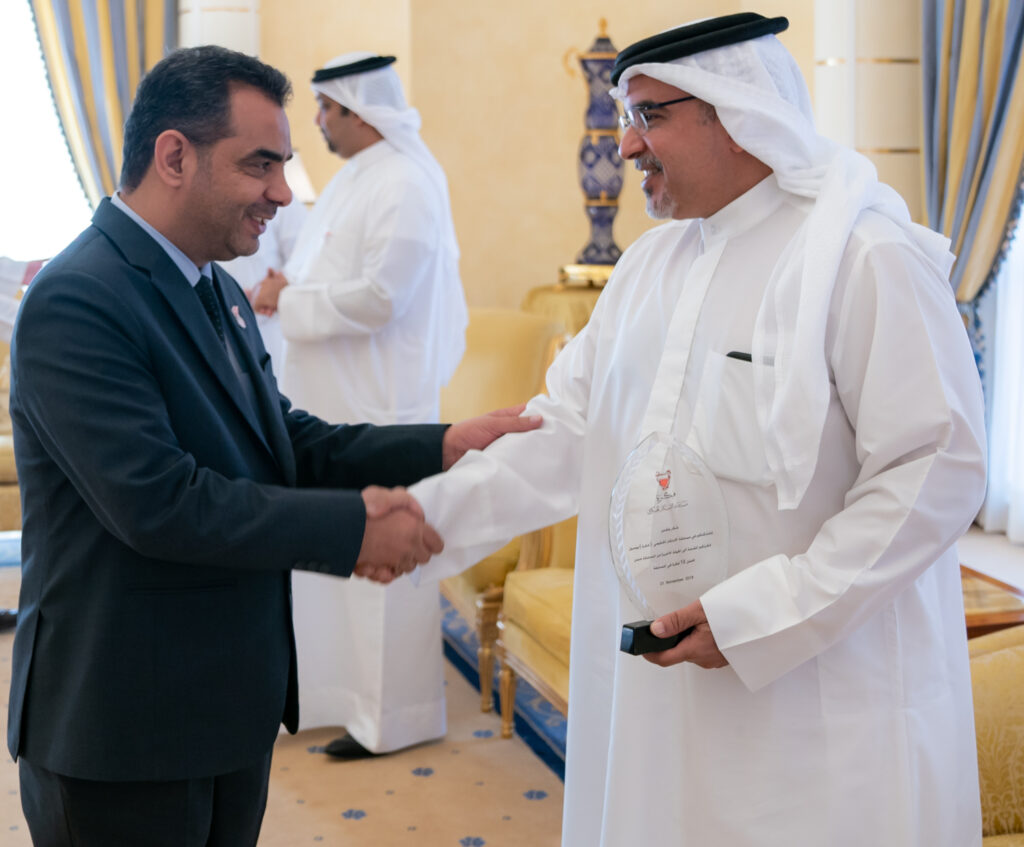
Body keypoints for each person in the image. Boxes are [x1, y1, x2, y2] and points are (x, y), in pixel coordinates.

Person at [402, 13, 987, 847]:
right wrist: (413, 522)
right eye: (625, 117)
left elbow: (937, 467)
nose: (627, 146)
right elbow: (566, 430)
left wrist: (767, 614)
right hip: (662, 691)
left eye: (650, 115)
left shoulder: (863, 257)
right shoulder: (646, 268)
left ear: (736, 115)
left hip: (814, 698)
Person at [6, 45, 536, 846]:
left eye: (283, 165)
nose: (283, 194)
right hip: (124, 722)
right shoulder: (78, 298)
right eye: (260, 165)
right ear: (174, 157)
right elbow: (159, 503)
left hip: (226, 705)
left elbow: (281, 438)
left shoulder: (215, 285)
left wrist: (443, 443)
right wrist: (352, 532)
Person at [251, 52, 468, 759]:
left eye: (325, 108)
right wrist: (287, 287)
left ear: (359, 110)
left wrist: (290, 299)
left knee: (382, 561)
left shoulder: (406, 182)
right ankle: (330, 700)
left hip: (378, 404)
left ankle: (393, 719)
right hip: (331, 401)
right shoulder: (353, 179)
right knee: (333, 554)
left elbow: (382, 298)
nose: (317, 121)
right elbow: (321, 275)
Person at [221, 199, 307, 365]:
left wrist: (268, 292)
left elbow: (306, 266)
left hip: (267, 334)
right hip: (217, 332)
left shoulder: (286, 207)